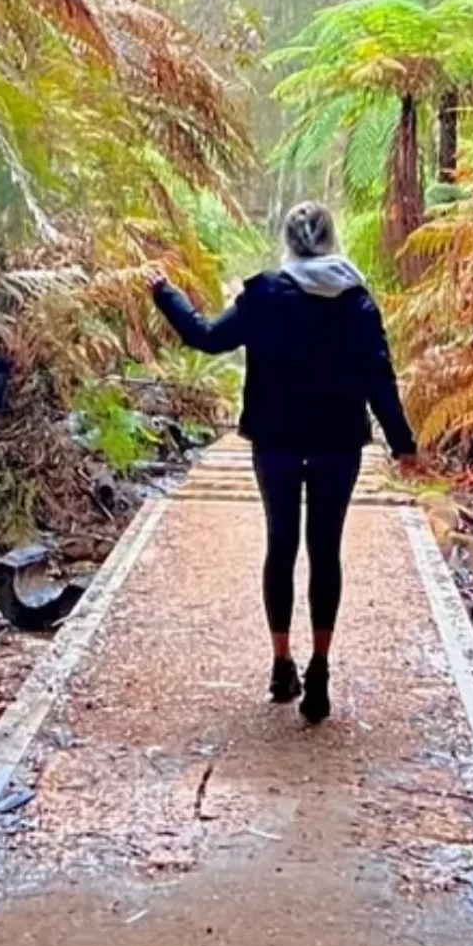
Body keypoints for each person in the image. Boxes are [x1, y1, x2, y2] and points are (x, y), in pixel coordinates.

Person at [151, 201, 419, 724]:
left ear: (289, 241)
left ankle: (281, 663)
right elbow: (378, 377)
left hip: (275, 439)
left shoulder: (266, 295)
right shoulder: (357, 299)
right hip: (338, 441)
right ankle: (319, 668)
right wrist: (402, 443)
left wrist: (166, 294)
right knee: (325, 550)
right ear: (332, 238)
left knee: (281, 544)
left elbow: (205, 337)